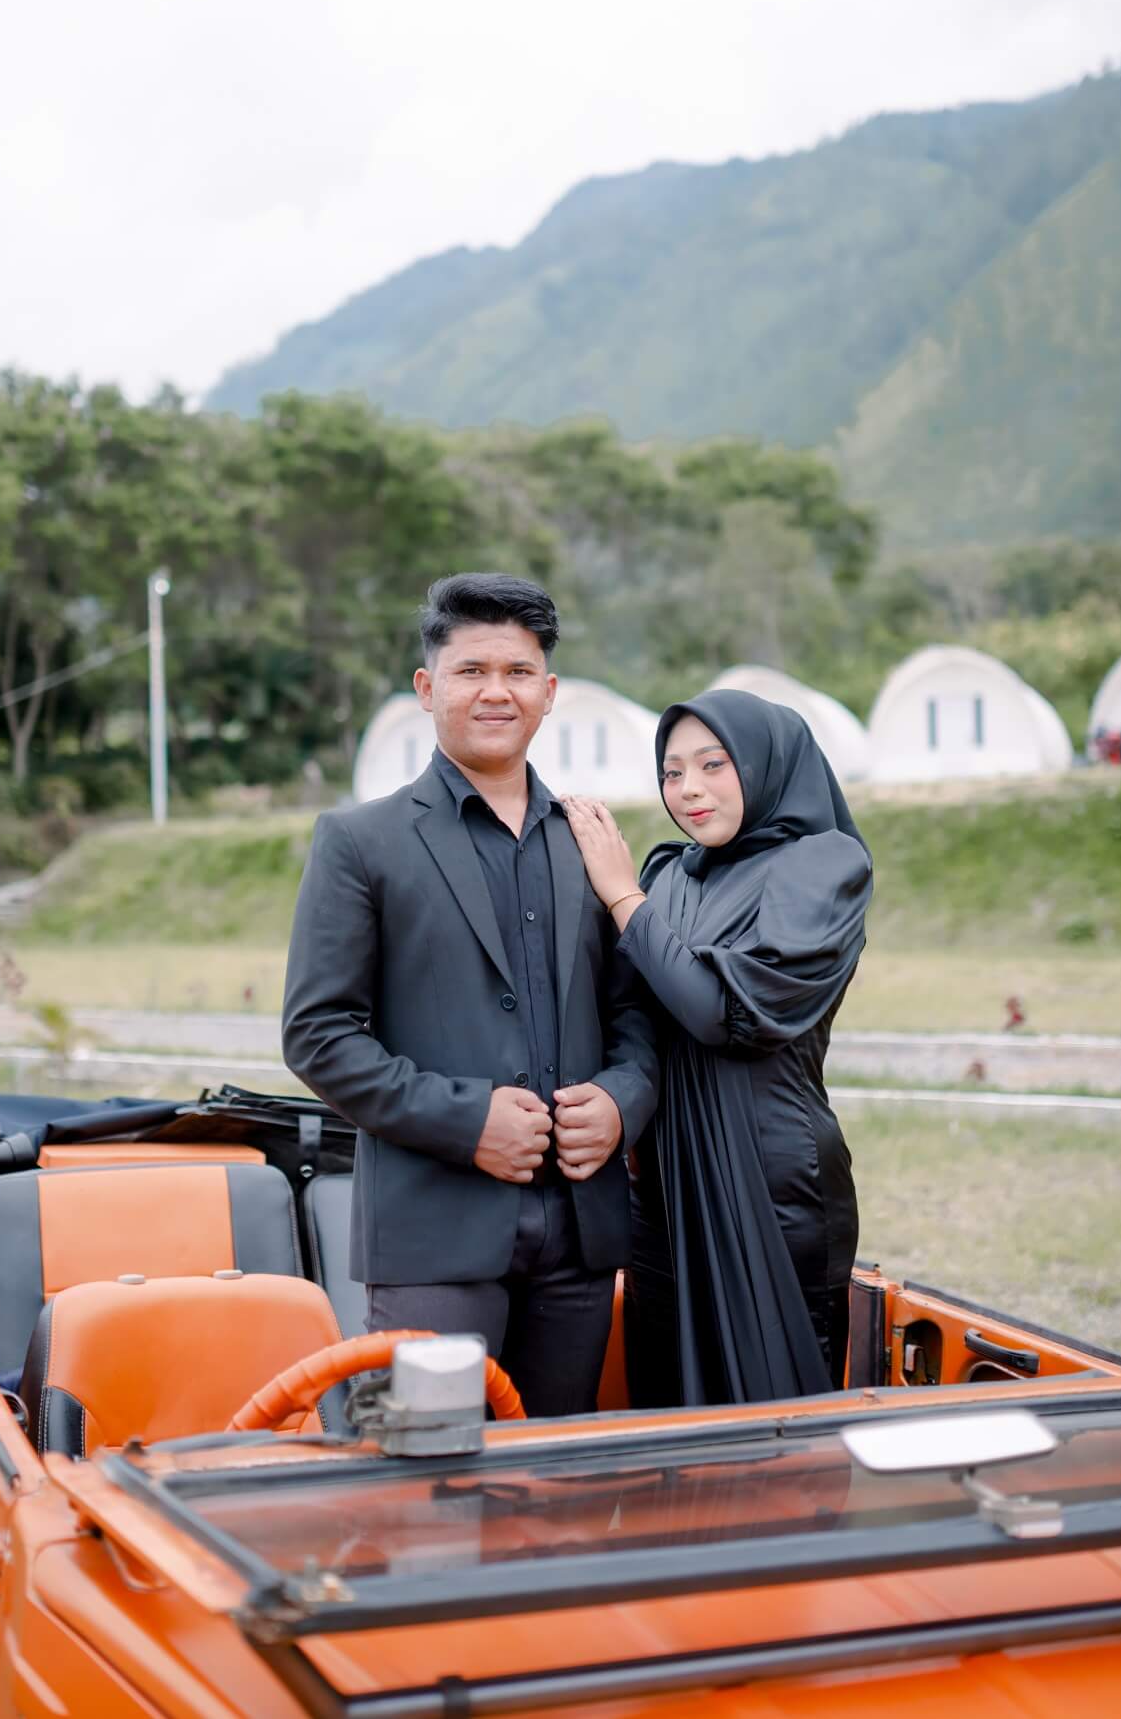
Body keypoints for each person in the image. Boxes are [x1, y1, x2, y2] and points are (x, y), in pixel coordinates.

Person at [282, 573, 659, 1417]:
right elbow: (318, 1034)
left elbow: (636, 1013)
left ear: (549, 692)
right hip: (433, 1235)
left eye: (519, 671)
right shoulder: (359, 840)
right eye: (471, 670)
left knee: (552, 1474)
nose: (497, 691)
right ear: (427, 687)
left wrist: (621, 1101)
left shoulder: (592, 840)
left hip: (581, 1235)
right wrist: (468, 1122)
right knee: (432, 1473)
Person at [563, 689, 871, 1406]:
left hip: (771, 1179)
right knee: (664, 1395)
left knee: (776, 1408)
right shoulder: (670, 875)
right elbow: (630, 1011)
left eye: (713, 764)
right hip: (661, 1187)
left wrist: (621, 895)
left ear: (764, 763)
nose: (689, 789)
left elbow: (721, 1012)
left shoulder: (823, 864)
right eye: (672, 772)